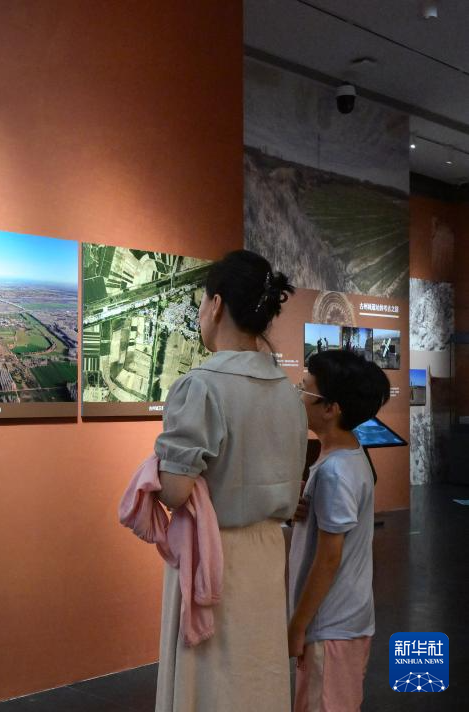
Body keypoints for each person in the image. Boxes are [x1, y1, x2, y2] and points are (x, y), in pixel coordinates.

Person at [154, 249, 308, 711]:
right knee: (257, 675)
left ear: (216, 304)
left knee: (211, 685)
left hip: (213, 553)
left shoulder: (201, 386)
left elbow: (175, 490)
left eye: (203, 301)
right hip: (267, 552)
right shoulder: (288, 392)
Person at [289, 349, 390, 711]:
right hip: (343, 621)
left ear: (330, 408)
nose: (298, 396)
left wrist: (298, 624)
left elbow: (329, 558)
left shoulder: (335, 472)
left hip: (329, 626)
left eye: (305, 389)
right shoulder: (346, 455)